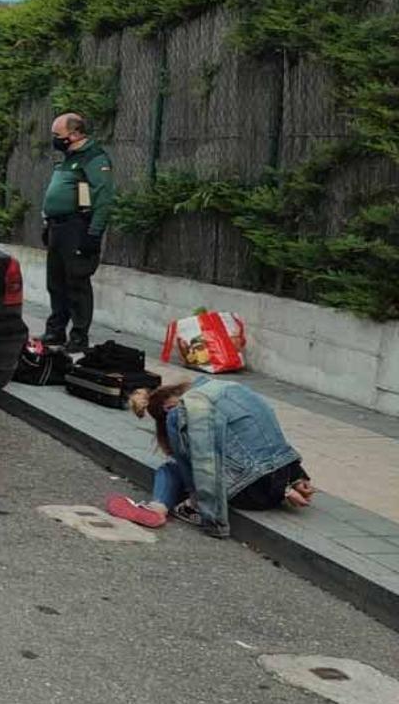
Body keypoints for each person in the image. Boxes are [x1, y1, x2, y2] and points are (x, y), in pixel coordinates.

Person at [106, 378, 315, 538]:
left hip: (251, 494)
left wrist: (208, 514)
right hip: (283, 475)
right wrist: (295, 478)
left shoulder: (183, 412)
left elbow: (204, 463)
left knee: (171, 468)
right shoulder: (231, 388)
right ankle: (157, 507)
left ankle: (157, 508)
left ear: (167, 409)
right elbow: (267, 435)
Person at [40, 113, 116, 354]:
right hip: (57, 227)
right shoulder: (67, 158)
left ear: (74, 134)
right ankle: (55, 331)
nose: (54, 140)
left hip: (77, 227)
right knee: (56, 282)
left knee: (76, 283)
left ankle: (79, 336)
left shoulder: (93, 158)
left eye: (57, 135)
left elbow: (103, 198)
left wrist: (93, 234)